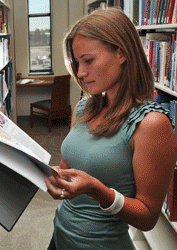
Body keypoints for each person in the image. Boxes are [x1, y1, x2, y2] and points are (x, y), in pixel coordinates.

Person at [44, 8, 177, 250]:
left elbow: (147, 217)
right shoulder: (84, 107)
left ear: (122, 53)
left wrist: (97, 190)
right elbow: (68, 169)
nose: (81, 73)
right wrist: (46, 173)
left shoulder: (152, 124)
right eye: (77, 62)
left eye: (89, 60)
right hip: (60, 237)